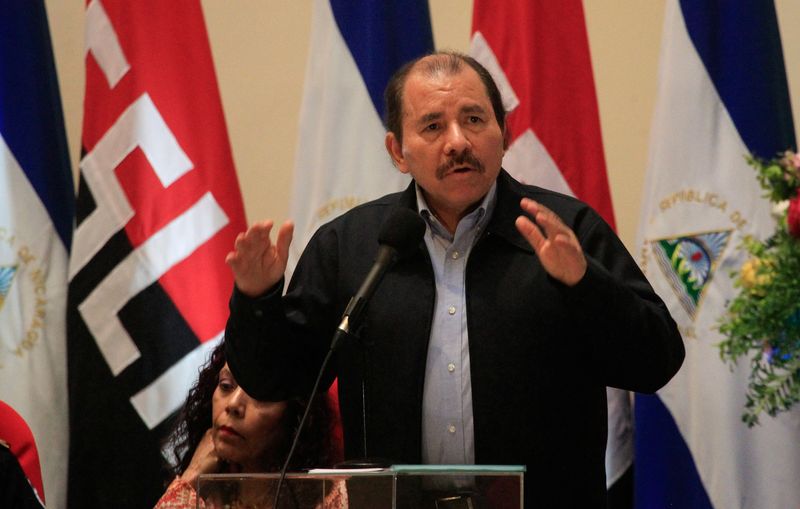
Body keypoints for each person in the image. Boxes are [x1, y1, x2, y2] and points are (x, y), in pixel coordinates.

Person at [224, 51, 685, 508]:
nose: (458, 141)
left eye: (474, 120)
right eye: (433, 126)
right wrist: (256, 298)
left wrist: (585, 284)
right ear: (397, 152)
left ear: (503, 134)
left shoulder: (563, 231)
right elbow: (276, 381)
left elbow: (655, 361)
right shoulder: (353, 246)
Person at [153, 340, 344, 508]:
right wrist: (191, 477)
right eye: (226, 386)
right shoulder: (198, 493)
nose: (233, 404)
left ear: (297, 417)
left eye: (260, 396)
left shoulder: (333, 498)